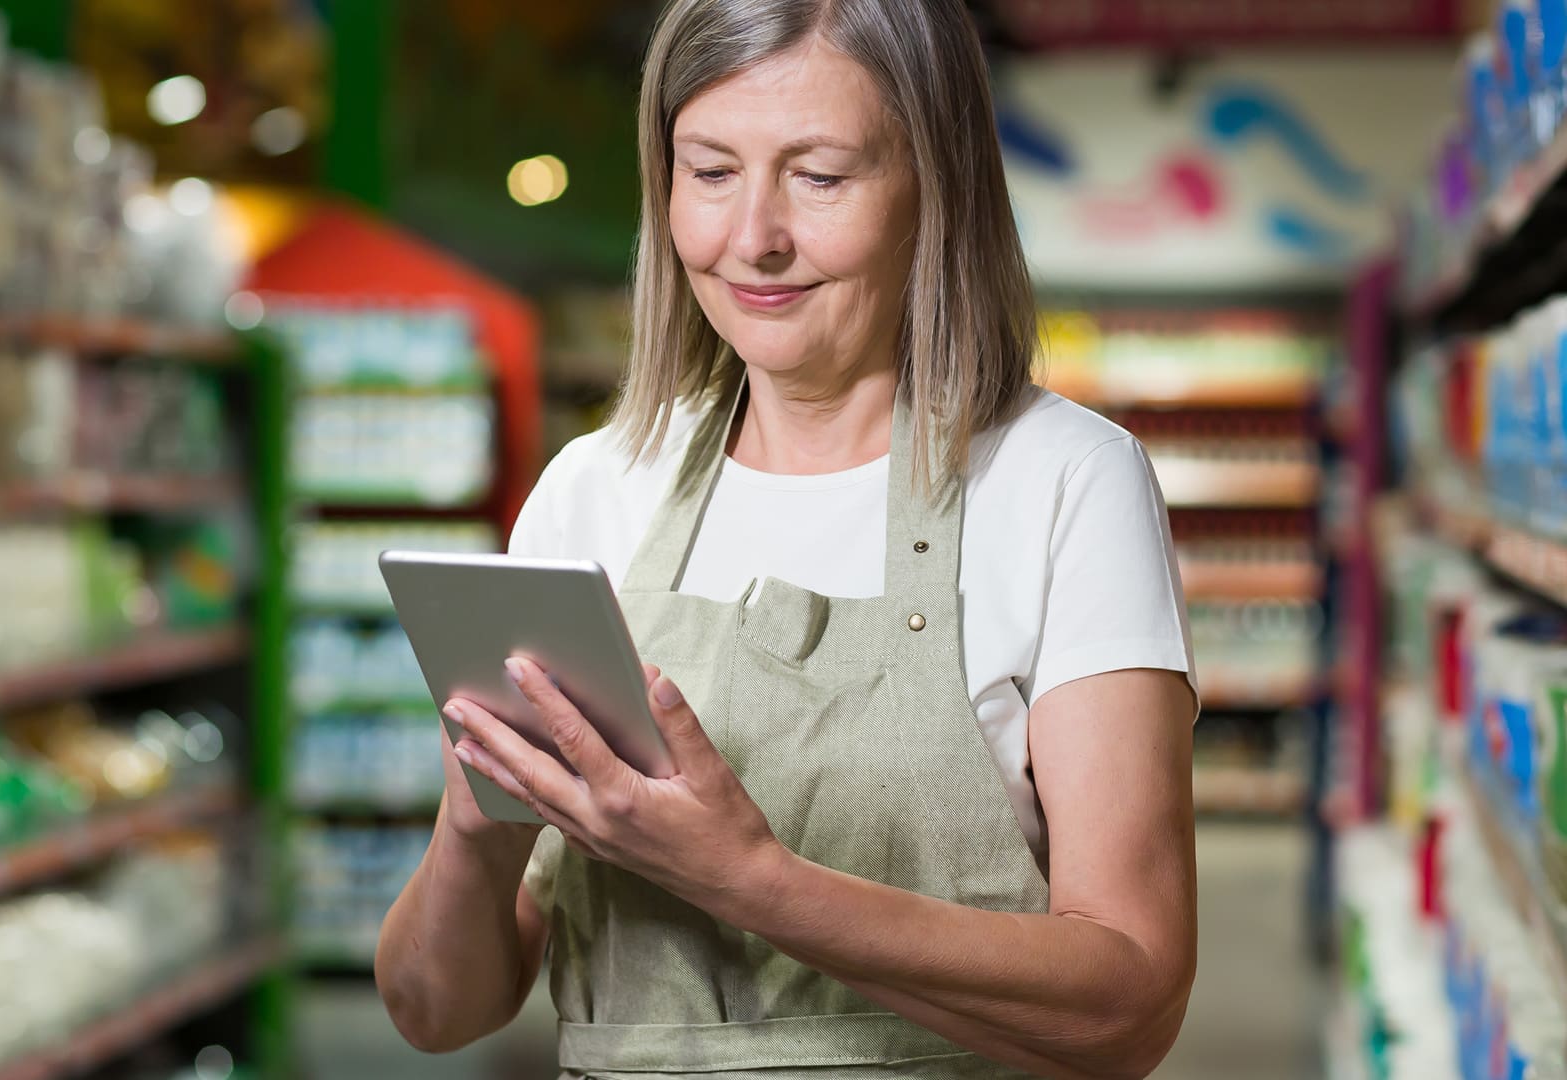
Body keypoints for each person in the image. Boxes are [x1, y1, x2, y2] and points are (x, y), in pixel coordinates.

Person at [375, 0, 1200, 1076]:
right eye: (710, 171)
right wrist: (476, 830)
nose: (753, 237)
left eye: (819, 176)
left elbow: (1128, 1003)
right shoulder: (597, 491)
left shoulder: (1060, 483)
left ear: (936, 185)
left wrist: (754, 881)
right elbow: (437, 1013)